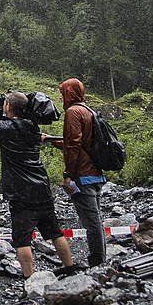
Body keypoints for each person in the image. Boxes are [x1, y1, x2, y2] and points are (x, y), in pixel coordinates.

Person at [0, 91, 77, 279]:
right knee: (55, 231)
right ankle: (69, 268)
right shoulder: (33, 126)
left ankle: (29, 277)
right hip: (41, 187)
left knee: (22, 239)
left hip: (21, 191)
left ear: (8, 106)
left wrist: (1, 117)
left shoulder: (4, 128)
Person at [43, 78, 107, 268]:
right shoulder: (88, 111)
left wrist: (67, 174)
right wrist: (52, 141)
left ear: (68, 94)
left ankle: (97, 261)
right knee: (96, 219)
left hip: (82, 175)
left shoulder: (73, 112)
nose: (61, 96)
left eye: (63, 92)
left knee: (91, 222)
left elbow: (73, 146)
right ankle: (99, 258)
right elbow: (79, 142)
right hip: (96, 172)